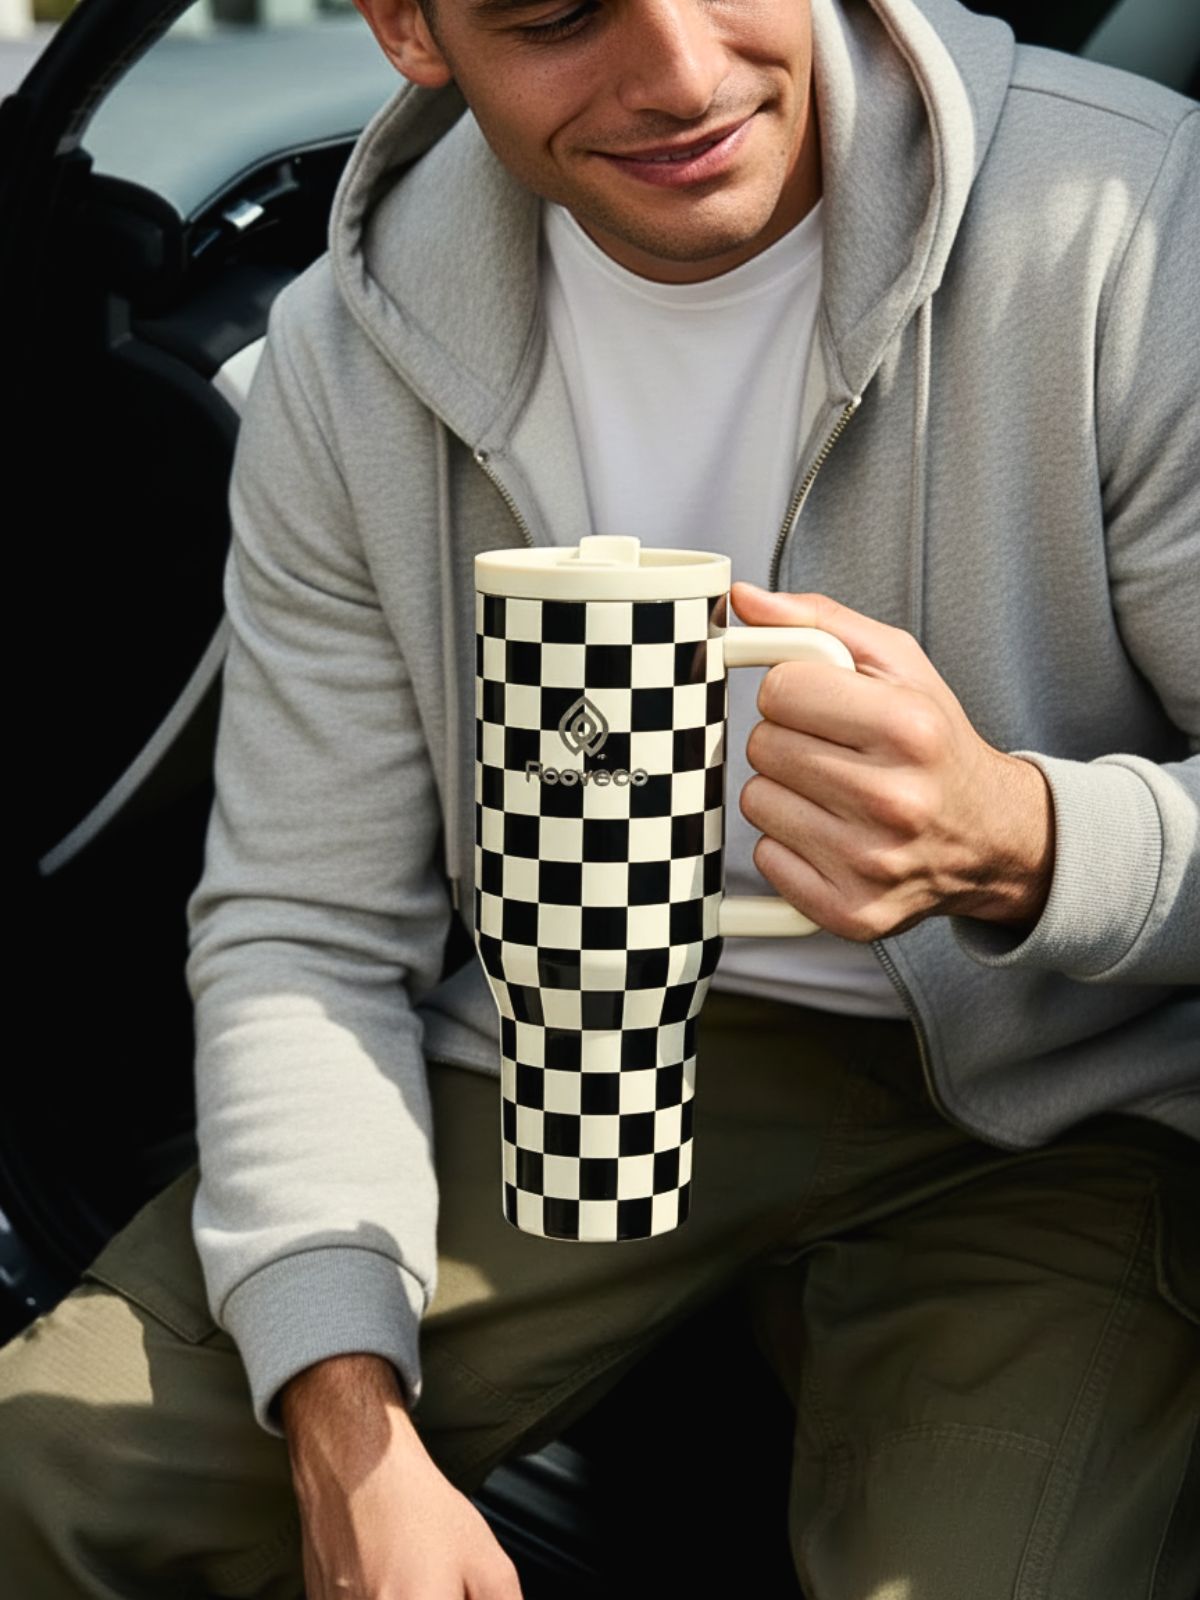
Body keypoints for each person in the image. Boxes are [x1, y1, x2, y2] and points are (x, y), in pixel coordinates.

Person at [2, 0, 1197, 1595]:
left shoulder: (1123, 218)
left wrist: (1032, 839)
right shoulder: (357, 349)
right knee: (49, 1477)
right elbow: (305, 921)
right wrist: (343, 1432)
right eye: (561, 15)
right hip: (577, 1049)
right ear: (411, 29)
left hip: (1073, 1089)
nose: (683, 76)